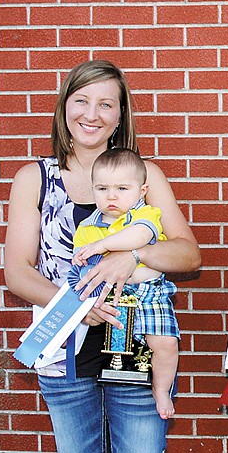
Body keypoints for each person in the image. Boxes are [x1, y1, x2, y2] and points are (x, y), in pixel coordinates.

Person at [4, 60, 201, 452]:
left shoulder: (146, 176)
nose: (91, 114)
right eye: (81, 100)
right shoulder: (34, 179)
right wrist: (77, 306)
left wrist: (134, 255)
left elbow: (189, 254)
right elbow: (18, 273)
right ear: (64, 108)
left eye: (106, 104)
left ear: (120, 116)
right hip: (65, 357)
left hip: (138, 349)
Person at [72, 148, 182, 419]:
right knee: (119, 355)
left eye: (122, 188)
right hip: (112, 300)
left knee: (166, 344)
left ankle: (161, 389)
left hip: (150, 295)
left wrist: (102, 245)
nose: (111, 196)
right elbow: (81, 268)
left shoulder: (146, 215)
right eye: (102, 188)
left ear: (142, 190)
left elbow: (138, 238)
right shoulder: (86, 228)